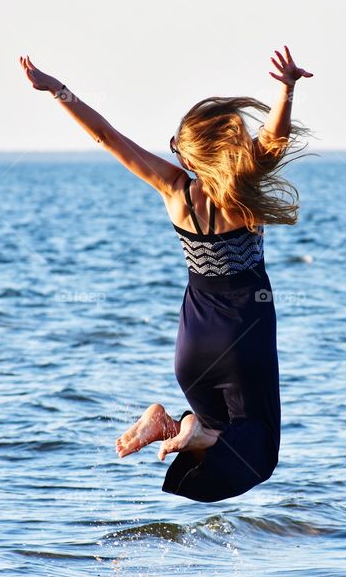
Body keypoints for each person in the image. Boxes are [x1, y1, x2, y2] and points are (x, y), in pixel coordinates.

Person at [20, 46, 314, 502]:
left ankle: (172, 425)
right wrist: (286, 89)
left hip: (192, 347)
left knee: (219, 430)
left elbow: (107, 136)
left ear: (190, 159)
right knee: (259, 450)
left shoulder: (174, 189)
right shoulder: (243, 194)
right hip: (243, 339)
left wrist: (58, 90)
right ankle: (189, 431)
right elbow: (273, 141)